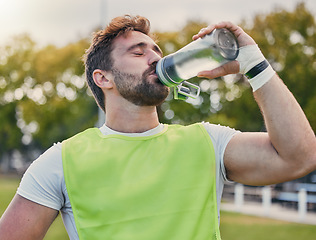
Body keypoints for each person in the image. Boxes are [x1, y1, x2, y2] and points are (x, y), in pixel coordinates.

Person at [0, 15, 315, 240]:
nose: (154, 58)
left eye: (157, 52)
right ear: (103, 78)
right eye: (138, 52)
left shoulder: (208, 140)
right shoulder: (60, 161)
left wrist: (253, 62)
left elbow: (299, 156)